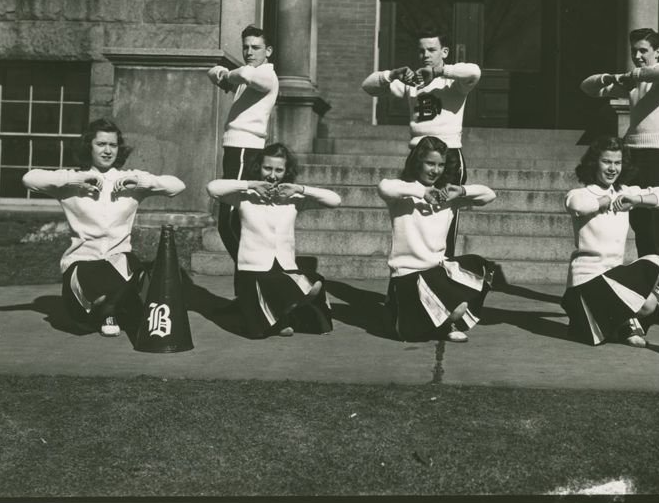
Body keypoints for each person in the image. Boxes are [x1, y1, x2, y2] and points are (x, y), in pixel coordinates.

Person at [580, 27, 659, 322]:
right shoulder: (632, 82)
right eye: (634, 51)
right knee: (642, 233)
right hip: (633, 157)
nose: (637, 56)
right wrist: (612, 79)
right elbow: (587, 87)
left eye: (643, 50)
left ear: (657, 51)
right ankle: (654, 299)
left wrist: (634, 76)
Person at [22, 119, 186, 337]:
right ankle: (107, 307)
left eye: (113, 145)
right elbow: (29, 179)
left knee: (128, 263)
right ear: (88, 146)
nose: (108, 151)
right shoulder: (73, 182)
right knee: (89, 315)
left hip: (119, 263)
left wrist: (139, 181)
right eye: (101, 144)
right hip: (82, 265)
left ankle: (108, 309)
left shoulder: (129, 180)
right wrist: (76, 179)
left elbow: (177, 186)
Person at [362, 28, 480, 257]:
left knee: (444, 215)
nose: (425, 55)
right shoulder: (413, 81)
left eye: (432, 49)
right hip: (417, 152)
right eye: (421, 50)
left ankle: (442, 272)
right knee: (410, 210)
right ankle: (410, 269)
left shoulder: (454, 81)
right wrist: (393, 74)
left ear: (444, 52)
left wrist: (438, 72)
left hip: (449, 156)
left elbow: (474, 72)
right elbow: (367, 87)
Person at [206, 142, 340, 339]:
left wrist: (300, 188)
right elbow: (212, 188)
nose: (272, 175)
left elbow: (335, 200)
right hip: (253, 273)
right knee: (257, 333)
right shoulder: (244, 196)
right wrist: (250, 184)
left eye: (279, 170)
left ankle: (281, 312)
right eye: (267, 168)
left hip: (284, 269)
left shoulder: (294, 198)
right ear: (259, 167)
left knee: (314, 283)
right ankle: (279, 315)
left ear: (286, 171)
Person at [377, 135, 496, 343]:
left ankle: (443, 321)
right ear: (417, 163)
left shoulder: (446, 198)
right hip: (408, 276)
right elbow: (384, 187)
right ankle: (438, 320)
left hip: (437, 271)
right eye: (430, 163)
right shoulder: (403, 194)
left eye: (440, 165)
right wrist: (422, 192)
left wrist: (460, 190)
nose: (435, 170)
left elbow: (489, 195)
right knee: (457, 308)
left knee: (480, 266)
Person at [561, 136, 659, 347]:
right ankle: (618, 324)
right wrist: (601, 201)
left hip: (614, 280)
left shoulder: (625, 193)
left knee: (650, 305)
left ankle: (618, 325)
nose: (612, 168)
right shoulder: (581, 193)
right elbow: (576, 205)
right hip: (586, 280)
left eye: (617, 163)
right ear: (595, 163)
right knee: (650, 268)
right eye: (607, 162)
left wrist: (637, 200)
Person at [206, 24, 279, 264]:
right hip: (235, 150)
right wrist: (226, 75)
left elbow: (244, 75)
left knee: (227, 222)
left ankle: (258, 272)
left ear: (268, 51)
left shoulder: (265, 75)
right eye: (245, 47)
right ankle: (246, 293)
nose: (249, 52)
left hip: (245, 151)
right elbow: (211, 71)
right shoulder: (246, 75)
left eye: (255, 48)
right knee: (238, 222)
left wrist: (227, 75)